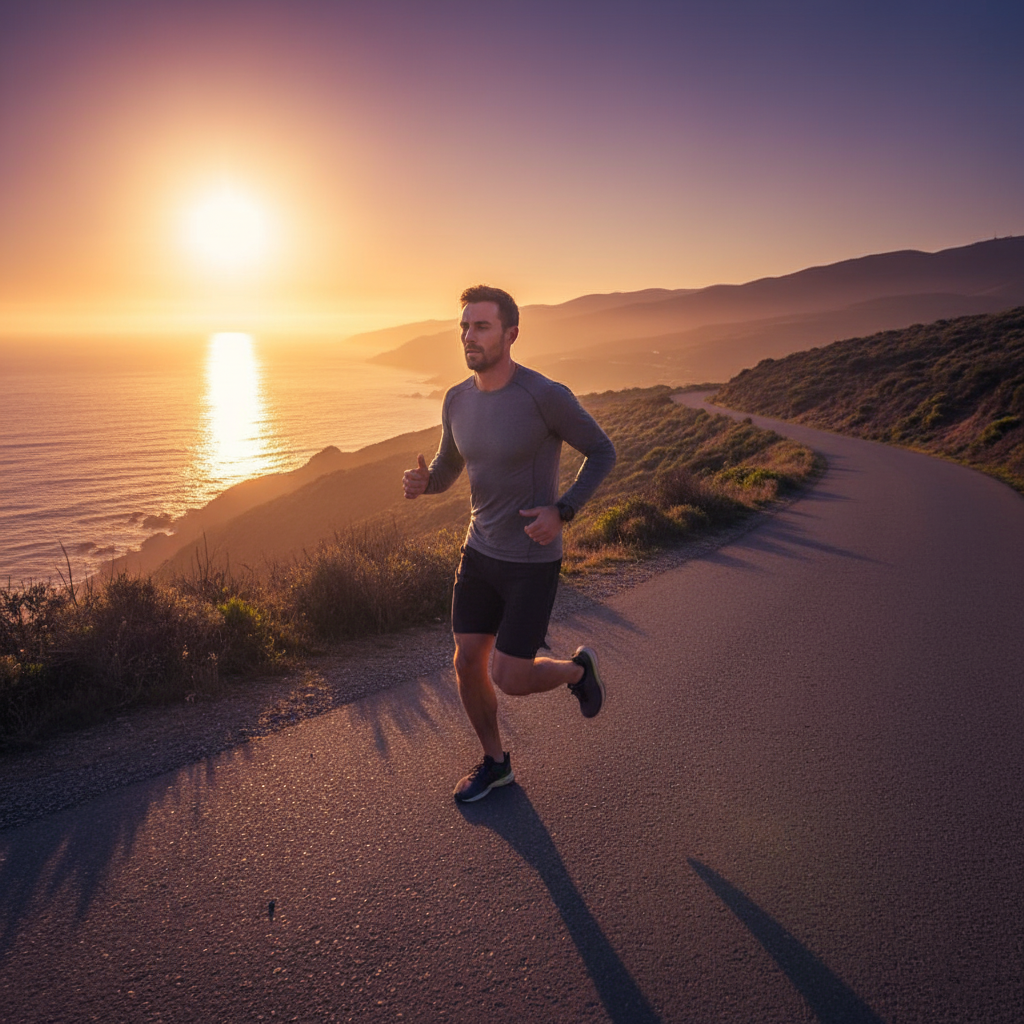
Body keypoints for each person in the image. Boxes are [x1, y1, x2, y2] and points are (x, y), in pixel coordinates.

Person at [403, 285, 616, 803]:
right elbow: (450, 466)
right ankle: (496, 764)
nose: (469, 337)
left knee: (511, 676)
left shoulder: (544, 395)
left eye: (481, 326)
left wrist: (562, 510)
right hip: (479, 552)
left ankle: (577, 669)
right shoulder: (456, 399)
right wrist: (426, 483)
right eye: (464, 327)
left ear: (511, 334)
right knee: (466, 661)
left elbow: (602, 451)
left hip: (530, 559)